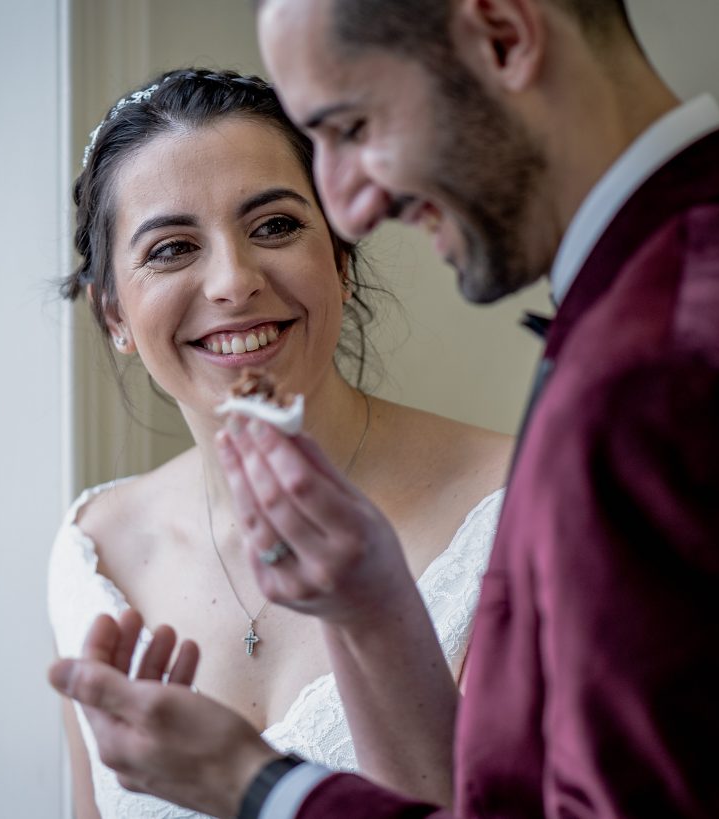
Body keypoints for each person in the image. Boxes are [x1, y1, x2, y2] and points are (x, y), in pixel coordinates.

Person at [49, 1, 719, 816]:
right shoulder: (702, 288)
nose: (355, 208)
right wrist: (373, 605)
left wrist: (259, 785)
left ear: (504, 37)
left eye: (355, 125)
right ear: (110, 311)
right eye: (171, 246)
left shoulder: (659, 369)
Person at [48, 67, 512, 818]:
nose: (233, 281)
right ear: (113, 317)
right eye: (171, 248)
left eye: (275, 227)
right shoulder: (94, 552)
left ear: (341, 262)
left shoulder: (513, 506)